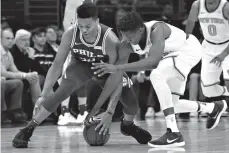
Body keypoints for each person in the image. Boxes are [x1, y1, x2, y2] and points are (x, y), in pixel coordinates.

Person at [12, 3, 151, 148]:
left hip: (106, 69)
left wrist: (109, 111)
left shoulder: (110, 39)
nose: (83, 30)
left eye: (88, 26)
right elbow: (56, 65)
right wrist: (44, 94)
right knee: (60, 92)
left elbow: (116, 75)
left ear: (97, 22)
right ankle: (28, 129)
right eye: (80, 26)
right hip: (81, 65)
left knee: (131, 104)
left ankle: (127, 125)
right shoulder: (70, 34)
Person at [91, 12, 228, 147]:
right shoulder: (127, 43)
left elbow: (153, 63)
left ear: (140, 30)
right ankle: (213, 108)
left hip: (188, 50)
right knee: (171, 105)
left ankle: (173, 133)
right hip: (173, 58)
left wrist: (118, 68)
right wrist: (109, 110)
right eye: (124, 36)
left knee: (156, 75)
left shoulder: (157, 29)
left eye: (130, 37)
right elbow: (117, 75)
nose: (127, 40)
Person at [185, 0, 229, 105]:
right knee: (208, 91)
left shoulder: (226, 7)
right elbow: (190, 23)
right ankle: (226, 91)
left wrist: (223, 54)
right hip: (208, 47)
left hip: (227, 46)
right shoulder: (197, 5)